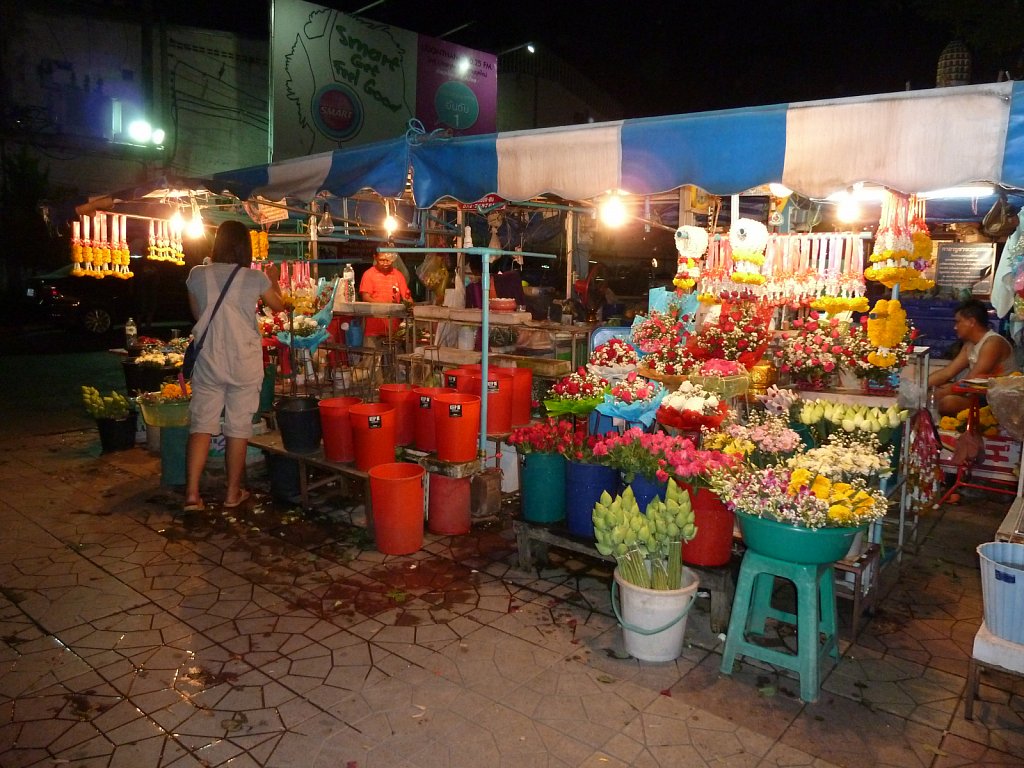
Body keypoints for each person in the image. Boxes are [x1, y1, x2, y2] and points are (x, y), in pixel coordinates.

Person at [183, 220, 285, 512]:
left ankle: (192, 495)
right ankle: (232, 493)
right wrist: (274, 278)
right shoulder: (254, 278)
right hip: (243, 361)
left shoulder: (197, 275)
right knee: (238, 427)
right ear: (245, 247)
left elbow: (197, 314)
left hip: (210, 359)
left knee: (201, 424)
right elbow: (278, 306)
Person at [927, 298, 1020, 416]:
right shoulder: (969, 345)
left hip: (999, 400)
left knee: (947, 403)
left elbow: (972, 380)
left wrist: (939, 394)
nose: (955, 327)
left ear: (971, 322)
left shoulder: (993, 343)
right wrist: (920, 386)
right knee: (935, 389)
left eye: (958, 322)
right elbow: (947, 373)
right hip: (978, 395)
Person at [358, 250, 411, 345]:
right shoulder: (368, 274)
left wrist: (411, 307)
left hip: (394, 328)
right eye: (382, 260)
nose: (385, 263)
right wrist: (385, 307)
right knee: (371, 358)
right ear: (375, 257)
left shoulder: (398, 275)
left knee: (395, 358)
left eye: (388, 260)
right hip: (373, 328)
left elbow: (407, 298)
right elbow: (366, 297)